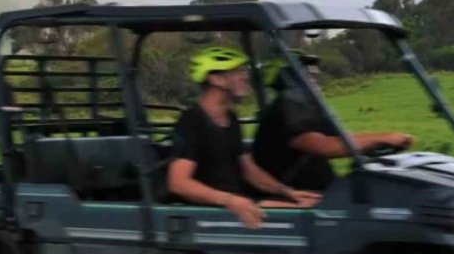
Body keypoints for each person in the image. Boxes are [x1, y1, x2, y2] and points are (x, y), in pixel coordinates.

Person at [166, 46, 321, 229]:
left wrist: (288, 192)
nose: (246, 76)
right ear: (216, 79)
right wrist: (230, 200)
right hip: (212, 214)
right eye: (238, 71)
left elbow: (248, 169)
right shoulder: (192, 122)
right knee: (314, 216)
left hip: (238, 204)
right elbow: (178, 183)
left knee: (314, 206)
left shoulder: (230, 118)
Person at [252, 51, 413, 191]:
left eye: (315, 77)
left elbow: (344, 142)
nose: (316, 83)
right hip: (290, 193)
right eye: (309, 77)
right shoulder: (285, 111)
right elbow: (326, 146)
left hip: (318, 189)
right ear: (291, 80)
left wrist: (374, 145)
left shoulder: (309, 109)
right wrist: (383, 137)